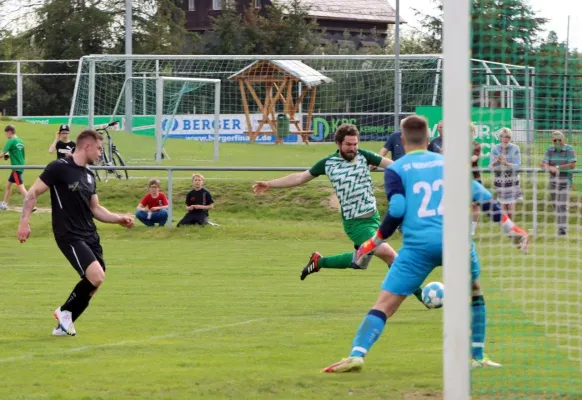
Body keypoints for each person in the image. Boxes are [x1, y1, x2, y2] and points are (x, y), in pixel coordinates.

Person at [321, 115, 529, 373]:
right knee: (474, 292)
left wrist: (373, 241)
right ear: (429, 139)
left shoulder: (397, 169)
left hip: (418, 247)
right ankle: (477, 355)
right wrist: (512, 229)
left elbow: (396, 209)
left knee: (385, 304)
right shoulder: (450, 163)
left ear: (403, 140)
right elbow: (483, 197)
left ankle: (357, 354)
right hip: (456, 242)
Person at [253, 123, 425, 304]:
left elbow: (395, 166)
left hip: (373, 218)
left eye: (355, 144)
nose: (353, 148)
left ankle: (318, 262)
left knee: (358, 263)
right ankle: (425, 297)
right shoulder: (328, 164)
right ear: (338, 143)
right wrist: (270, 184)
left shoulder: (364, 156)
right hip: (356, 225)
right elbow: (300, 177)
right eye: (348, 145)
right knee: (389, 254)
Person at [17, 129, 134, 337]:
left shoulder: (89, 176)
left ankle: (64, 322)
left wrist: (118, 218)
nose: (100, 154)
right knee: (96, 276)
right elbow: (33, 192)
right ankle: (63, 313)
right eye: (99, 149)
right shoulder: (59, 167)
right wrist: (24, 221)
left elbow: (95, 208)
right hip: (69, 234)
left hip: (90, 234)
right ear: (87, 146)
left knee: (94, 283)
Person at [540, 130, 577, 236]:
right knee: (555, 205)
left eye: (559, 140)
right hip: (553, 181)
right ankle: (560, 227)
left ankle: (563, 229)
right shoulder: (549, 150)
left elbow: (572, 165)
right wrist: (550, 167)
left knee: (562, 204)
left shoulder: (569, 149)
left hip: (566, 181)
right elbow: (543, 164)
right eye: (555, 140)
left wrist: (557, 167)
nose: (557, 142)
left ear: (563, 140)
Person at [488, 128, 522, 221]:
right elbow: (490, 167)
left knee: (511, 204)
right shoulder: (495, 148)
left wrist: (506, 164)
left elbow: (518, 165)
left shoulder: (515, 148)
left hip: (513, 180)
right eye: (503, 137)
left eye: (508, 137)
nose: (506, 139)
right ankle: (506, 226)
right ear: (500, 138)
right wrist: (495, 161)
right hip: (500, 180)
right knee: (503, 205)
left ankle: (511, 224)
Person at [0, 125, 31, 210]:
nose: (6, 135)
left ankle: (31, 204)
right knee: (8, 186)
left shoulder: (11, 141)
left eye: (6, 133)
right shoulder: (20, 141)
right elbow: (20, 154)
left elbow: (3, 154)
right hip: (20, 166)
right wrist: (9, 156)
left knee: (21, 188)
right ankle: (5, 204)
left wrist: (5, 155)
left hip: (16, 167)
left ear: (9, 132)